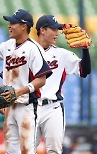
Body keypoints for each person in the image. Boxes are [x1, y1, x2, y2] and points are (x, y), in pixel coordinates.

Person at [0, 9, 52, 154]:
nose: (9, 26)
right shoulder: (8, 45)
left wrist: (18, 92)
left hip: (27, 106)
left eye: (13, 23)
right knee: (10, 150)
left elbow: (41, 79)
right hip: (10, 106)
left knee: (27, 150)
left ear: (23, 26)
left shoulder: (33, 48)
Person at [34, 15, 91, 153]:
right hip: (31, 107)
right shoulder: (26, 51)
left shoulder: (61, 54)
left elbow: (84, 71)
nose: (57, 32)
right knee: (25, 150)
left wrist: (85, 50)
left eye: (57, 29)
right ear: (42, 30)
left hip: (53, 108)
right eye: (53, 29)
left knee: (54, 150)